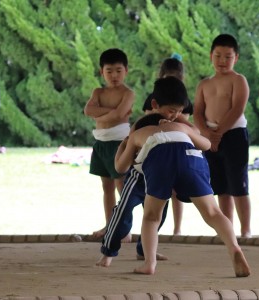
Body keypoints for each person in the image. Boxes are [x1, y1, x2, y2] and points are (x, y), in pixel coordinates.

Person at [114, 112, 251, 276]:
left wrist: (123, 146)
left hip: (159, 158)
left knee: (151, 216)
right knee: (213, 212)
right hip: (191, 157)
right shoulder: (179, 127)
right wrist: (181, 122)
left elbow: (120, 168)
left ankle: (149, 263)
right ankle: (234, 247)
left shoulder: (137, 135)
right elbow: (206, 144)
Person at [96, 76, 196, 267]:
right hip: (137, 177)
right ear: (155, 104)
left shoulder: (178, 122)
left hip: (162, 177)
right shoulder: (143, 123)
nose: (175, 115)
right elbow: (127, 144)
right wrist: (121, 163)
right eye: (171, 110)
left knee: (158, 216)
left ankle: (145, 250)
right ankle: (108, 252)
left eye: (180, 111)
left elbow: (196, 135)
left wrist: (182, 125)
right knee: (122, 213)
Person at [193, 34, 251, 238]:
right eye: (218, 56)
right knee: (220, 187)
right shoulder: (204, 84)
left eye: (228, 56)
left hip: (234, 134)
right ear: (211, 56)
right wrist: (208, 134)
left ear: (236, 57)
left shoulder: (238, 80)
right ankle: (228, 230)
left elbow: (237, 108)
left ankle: (245, 231)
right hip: (210, 136)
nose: (222, 61)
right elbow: (197, 112)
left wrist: (218, 134)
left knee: (238, 185)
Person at [84, 48, 134, 238]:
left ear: (126, 71)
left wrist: (104, 112)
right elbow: (88, 110)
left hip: (119, 143)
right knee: (107, 187)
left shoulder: (128, 94)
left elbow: (119, 115)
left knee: (122, 187)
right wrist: (111, 112)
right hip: (101, 142)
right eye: (109, 71)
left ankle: (125, 229)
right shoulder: (98, 91)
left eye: (118, 71)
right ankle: (110, 226)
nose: (114, 75)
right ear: (101, 72)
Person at [143, 55, 194, 235]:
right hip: (155, 148)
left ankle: (177, 228)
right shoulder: (153, 98)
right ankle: (153, 230)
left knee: (177, 191)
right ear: (161, 77)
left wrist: (172, 113)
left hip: (176, 148)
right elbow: (149, 118)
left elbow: (184, 122)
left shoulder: (183, 99)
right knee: (155, 191)